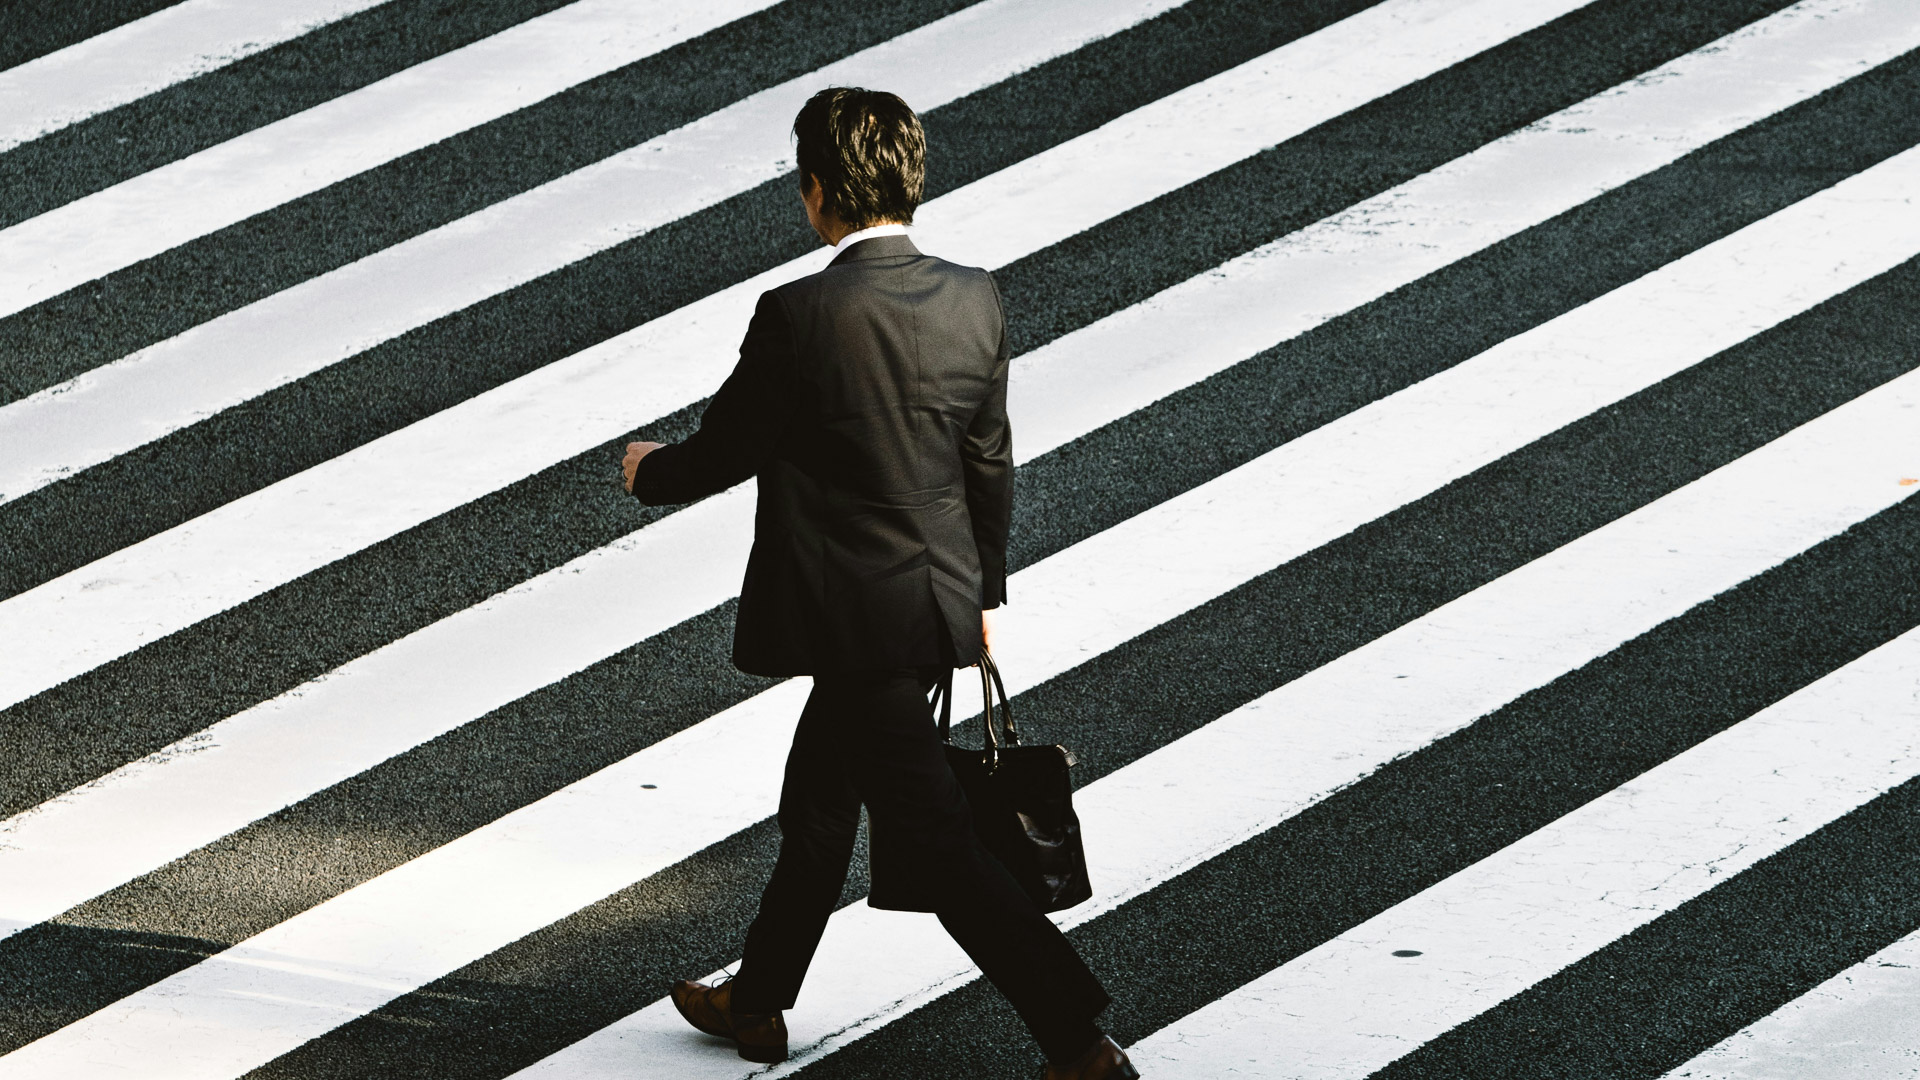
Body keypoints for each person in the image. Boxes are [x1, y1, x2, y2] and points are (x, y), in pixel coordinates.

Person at [622, 87, 1137, 1079]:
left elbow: (728, 449)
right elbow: (987, 458)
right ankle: (758, 1001)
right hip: (929, 604)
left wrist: (649, 470)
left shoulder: (800, 314)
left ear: (817, 193)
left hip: (843, 619)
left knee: (939, 847)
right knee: (820, 803)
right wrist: (980, 595)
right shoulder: (973, 296)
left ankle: (1079, 1041)